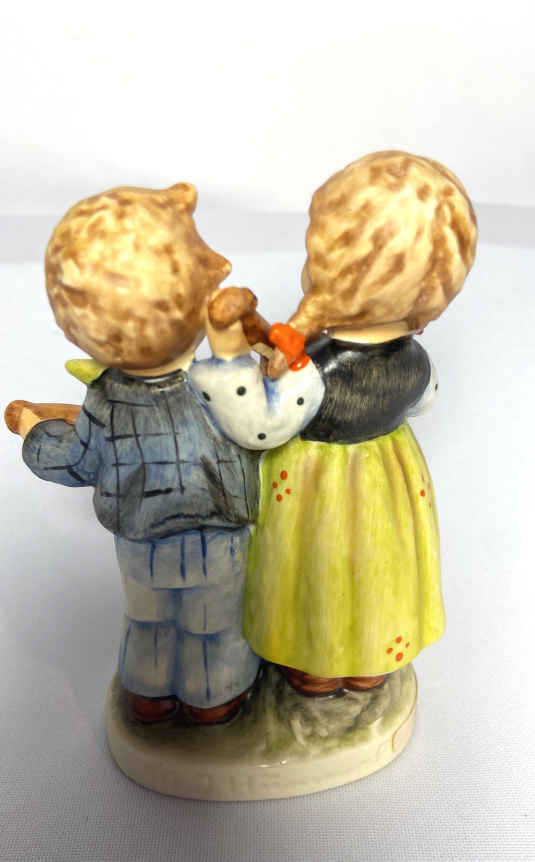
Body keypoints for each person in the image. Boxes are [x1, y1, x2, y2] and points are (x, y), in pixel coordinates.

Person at [190, 150, 478, 696]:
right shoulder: (417, 361)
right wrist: (272, 345)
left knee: (322, 573)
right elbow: (424, 401)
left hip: (317, 490)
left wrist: (227, 357)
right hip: (389, 479)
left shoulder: (317, 375)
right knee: (379, 567)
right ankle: (372, 658)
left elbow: (258, 426)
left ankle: (318, 663)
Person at [6, 182, 265, 724]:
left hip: (141, 543)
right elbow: (259, 429)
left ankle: (149, 693)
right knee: (216, 625)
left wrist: (34, 430)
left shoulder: (105, 402)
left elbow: (76, 463)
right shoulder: (218, 384)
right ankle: (214, 697)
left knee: (149, 623)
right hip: (219, 537)